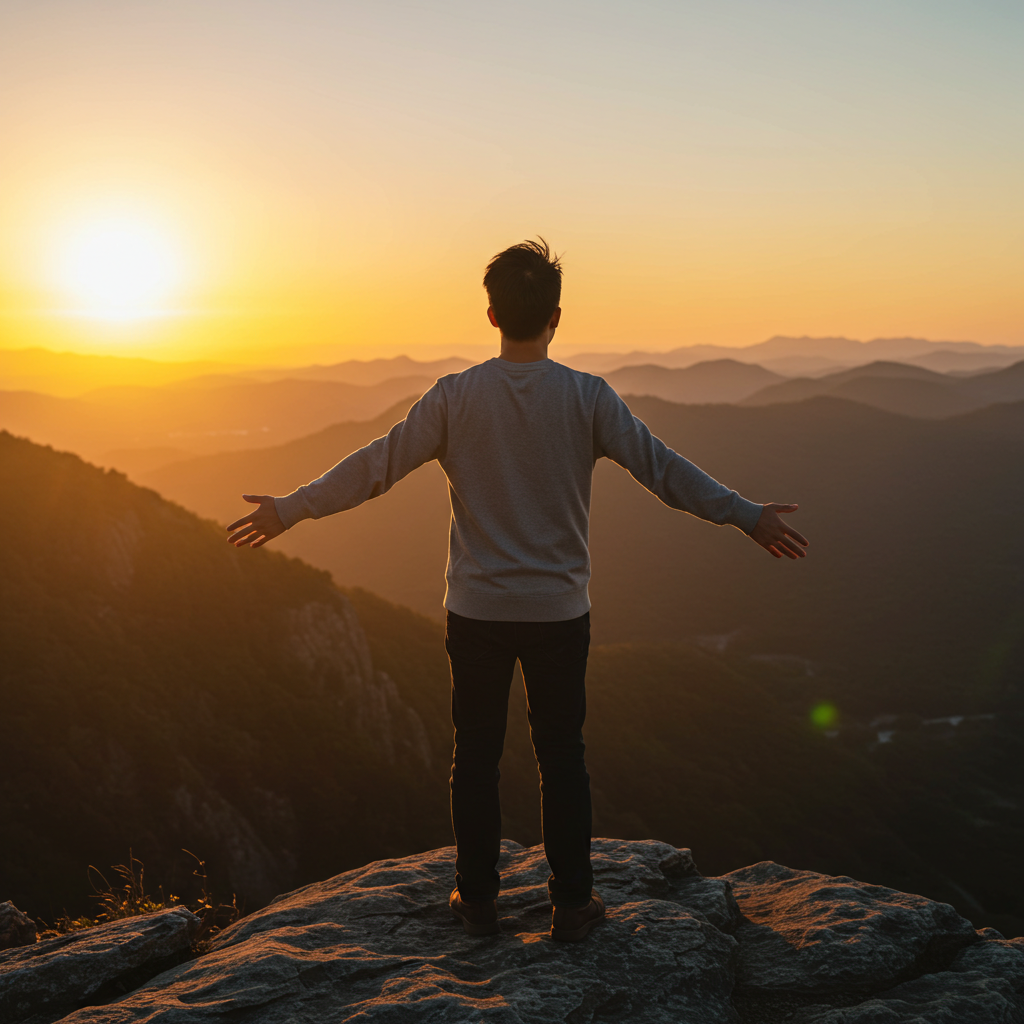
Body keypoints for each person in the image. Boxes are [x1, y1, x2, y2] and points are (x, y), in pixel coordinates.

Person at [226, 239, 809, 943]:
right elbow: (663, 470)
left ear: (492, 313)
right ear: (555, 317)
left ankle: (475, 901)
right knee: (561, 755)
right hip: (559, 613)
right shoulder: (587, 397)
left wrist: (291, 508)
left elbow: (375, 466)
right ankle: (572, 903)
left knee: (474, 753)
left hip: (475, 611)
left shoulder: (455, 396)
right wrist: (746, 514)